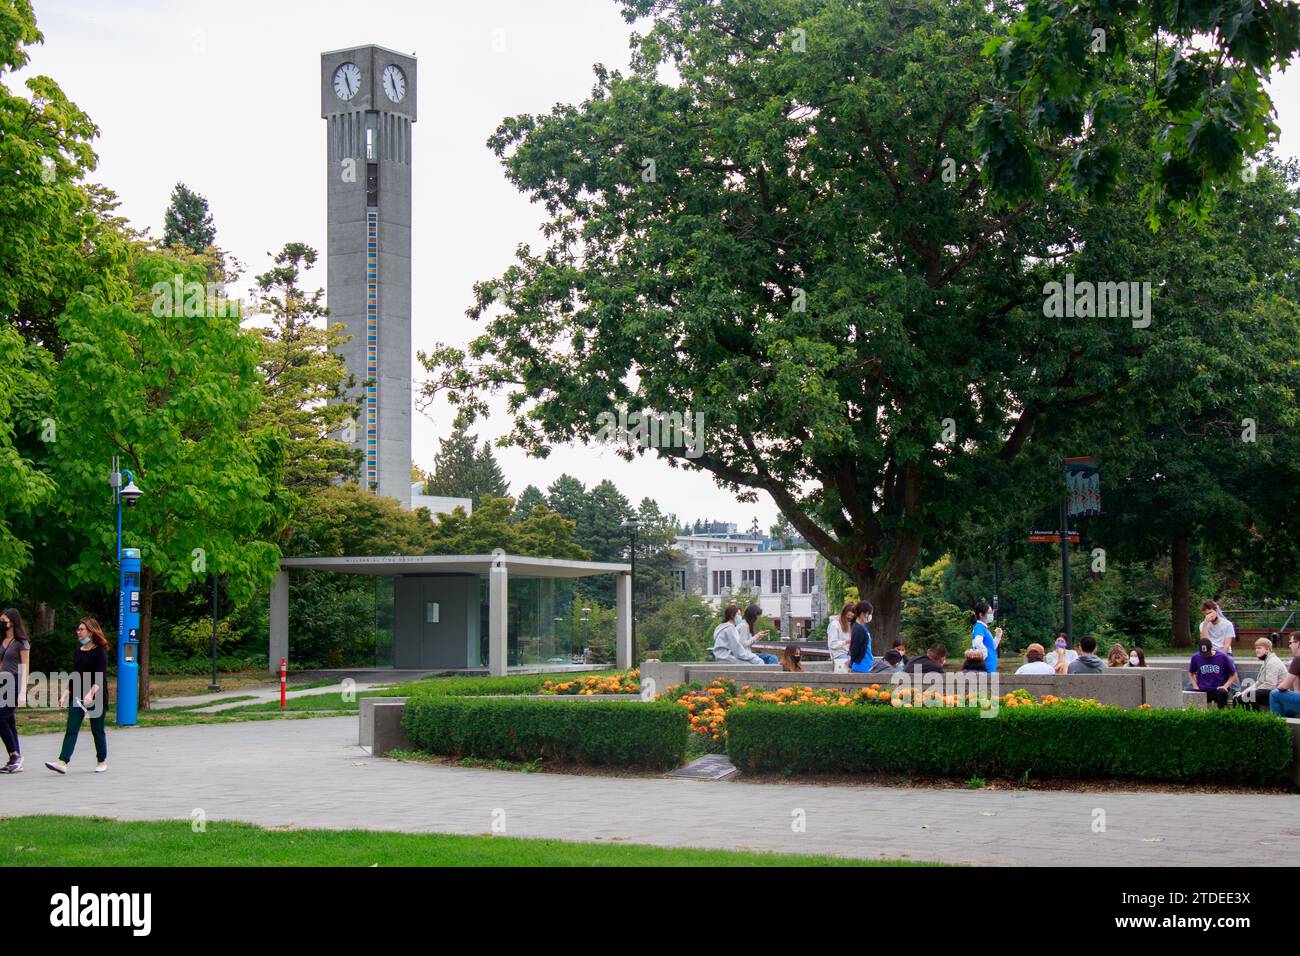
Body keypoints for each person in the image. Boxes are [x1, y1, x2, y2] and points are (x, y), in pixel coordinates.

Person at [45, 619, 110, 774]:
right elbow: (76, 675)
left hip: (97, 694)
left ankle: (101, 761)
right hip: (78, 695)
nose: (78, 631)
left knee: (97, 729)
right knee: (71, 728)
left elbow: (100, 676)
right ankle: (62, 762)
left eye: (81, 629)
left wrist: (91, 694)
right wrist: (65, 694)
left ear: (91, 632)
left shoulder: (100, 652)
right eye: (78, 629)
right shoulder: (78, 651)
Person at [0, 608, 30, 773]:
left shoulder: (22, 642)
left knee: (1, 718)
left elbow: (25, 668)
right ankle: (16, 759)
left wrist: (22, 692)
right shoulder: (2, 640)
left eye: (3, 620)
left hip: (15, 682)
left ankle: (14, 755)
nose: (1, 623)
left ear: (12, 621)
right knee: (8, 720)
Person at [1236, 635, 1287, 710]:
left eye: (1259, 648)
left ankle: (1256, 718)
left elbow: (1270, 685)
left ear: (1267, 650)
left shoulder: (1273, 662)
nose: (1256, 650)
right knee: (1240, 698)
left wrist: (1250, 693)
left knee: (1250, 696)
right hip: (1270, 692)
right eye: (1256, 648)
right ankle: (1252, 718)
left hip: (1278, 694)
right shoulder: (1267, 661)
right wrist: (1243, 692)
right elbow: (1258, 683)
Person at [1189, 636, 1237, 708]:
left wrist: (1225, 686)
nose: (1206, 656)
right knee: (1189, 694)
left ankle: (1222, 713)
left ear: (1212, 647)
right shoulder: (1196, 657)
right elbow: (1191, 673)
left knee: (1222, 693)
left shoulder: (1222, 657)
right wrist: (1195, 687)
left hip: (1217, 689)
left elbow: (1234, 675)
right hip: (1202, 690)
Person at [1267, 633, 1300, 718]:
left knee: (1274, 694)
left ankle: (1277, 727)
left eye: (1290, 642)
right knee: (1287, 703)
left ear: (1298, 643)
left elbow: (1284, 686)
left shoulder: (1297, 659)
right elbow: (1297, 691)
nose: (1289, 646)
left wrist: (1277, 687)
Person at [970, 601, 1000, 674]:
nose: (992, 615)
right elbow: (977, 642)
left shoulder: (983, 628)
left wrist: (998, 637)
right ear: (981, 615)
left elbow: (991, 647)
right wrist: (985, 653)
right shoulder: (979, 627)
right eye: (989, 613)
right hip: (986, 666)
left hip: (989, 665)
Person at [848, 600, 875, 674]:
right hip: (861, 666)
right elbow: (854, 648)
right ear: (864, 613)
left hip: (866, 665)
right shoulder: (859, 628)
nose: (870, 616)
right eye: (869, 613)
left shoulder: (861, 627)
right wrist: (851, 664)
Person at [827, 602, 854, 673]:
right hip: (839, 655)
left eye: (852, 616)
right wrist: (846, 642)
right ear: (844, 613)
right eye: (848, 615)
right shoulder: (835, 624)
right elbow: (832, 644)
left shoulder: (849, 624)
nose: (850, 618)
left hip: (847, 654)